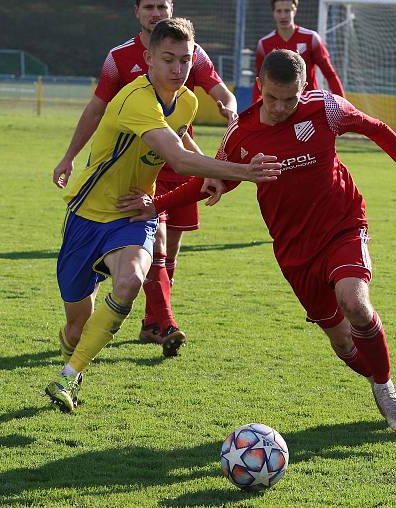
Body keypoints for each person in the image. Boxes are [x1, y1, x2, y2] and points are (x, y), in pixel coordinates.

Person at [120, 50, 396, 434]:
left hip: (342, 225)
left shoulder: (327, 108)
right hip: (293, 249)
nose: (278, 107)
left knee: (355, 303)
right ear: (260, 86)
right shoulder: (242, 133)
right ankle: (373, 374)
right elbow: (210, 180)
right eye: (272, 97)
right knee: (343, 343)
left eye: (289, 99)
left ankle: (385, 386)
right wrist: (155, 205)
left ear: (304, 87)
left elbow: (378, 129)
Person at [46, 18, 282, 413]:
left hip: (134, 214)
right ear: (148, 59)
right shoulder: (135, 99)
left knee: (131, 280)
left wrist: (213, 173)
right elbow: (175, 157)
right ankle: (73, 352)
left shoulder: (186, 101)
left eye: (185, 60)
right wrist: (244, 171)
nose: (178, 69)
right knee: (76, 326)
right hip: (87, 215)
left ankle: (68, 377)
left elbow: (183, 142)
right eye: (168, 59)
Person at [51, 0, 239, 357]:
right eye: (149, 6)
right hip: (131, 174)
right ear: (137, 12)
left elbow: (217, 91)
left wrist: (228, 108)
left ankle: (156, 320)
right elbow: (96, 108)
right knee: (154, 249)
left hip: (177, 163)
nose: (157, 13)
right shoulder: (118, 58)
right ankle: (160, 320)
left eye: (163, 5)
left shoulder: (191, 53)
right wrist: (70, 156)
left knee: (165, 255)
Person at [252, 0, 344, 103]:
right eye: (279, 11)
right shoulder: (264, 44)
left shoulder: (311, 38)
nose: (283, 15)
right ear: (273, 13)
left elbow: (330, 74)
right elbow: (260, 80)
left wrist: (341, 104)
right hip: (277, 108)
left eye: (287, 11)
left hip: (308, 105)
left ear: (294, 11)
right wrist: (256, 106)